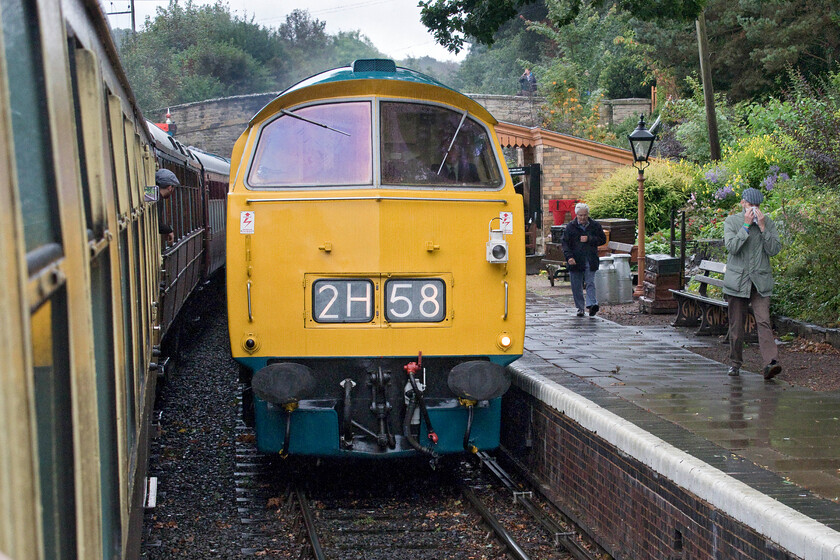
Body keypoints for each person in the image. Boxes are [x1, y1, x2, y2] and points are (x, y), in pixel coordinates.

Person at [722, 187, 782, 379]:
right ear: (743, 204)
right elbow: (732, 247)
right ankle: (735, 363)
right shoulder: (732, 222)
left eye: (757, 206)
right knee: (737, 327)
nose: (754, 209)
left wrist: (763, 228)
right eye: (750, 205)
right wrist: (746, 227)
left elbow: (774, 250)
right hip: (738, 282)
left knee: (764, 322)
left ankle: (771, 363)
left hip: (760, 282)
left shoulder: (767, 223)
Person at [561, 202, 606, 317]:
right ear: (576, 215)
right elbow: (565, 243)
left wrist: (589, 239)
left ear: (588, 214)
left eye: (585, 215)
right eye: (580, 215)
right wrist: (569, 257)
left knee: (590, 282)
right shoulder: (570, 227)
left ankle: (592, 304)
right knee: (576, 285)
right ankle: (580, 308)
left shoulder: (595, 225)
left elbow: (602, 239)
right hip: (575, 259)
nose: (583, 218)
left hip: (590, 259)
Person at [155, 168, 179, 244]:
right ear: (169, 187)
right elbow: (157, 224)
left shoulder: (153, 195)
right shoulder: (158, 198)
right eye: (173, 188)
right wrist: (169, 230)